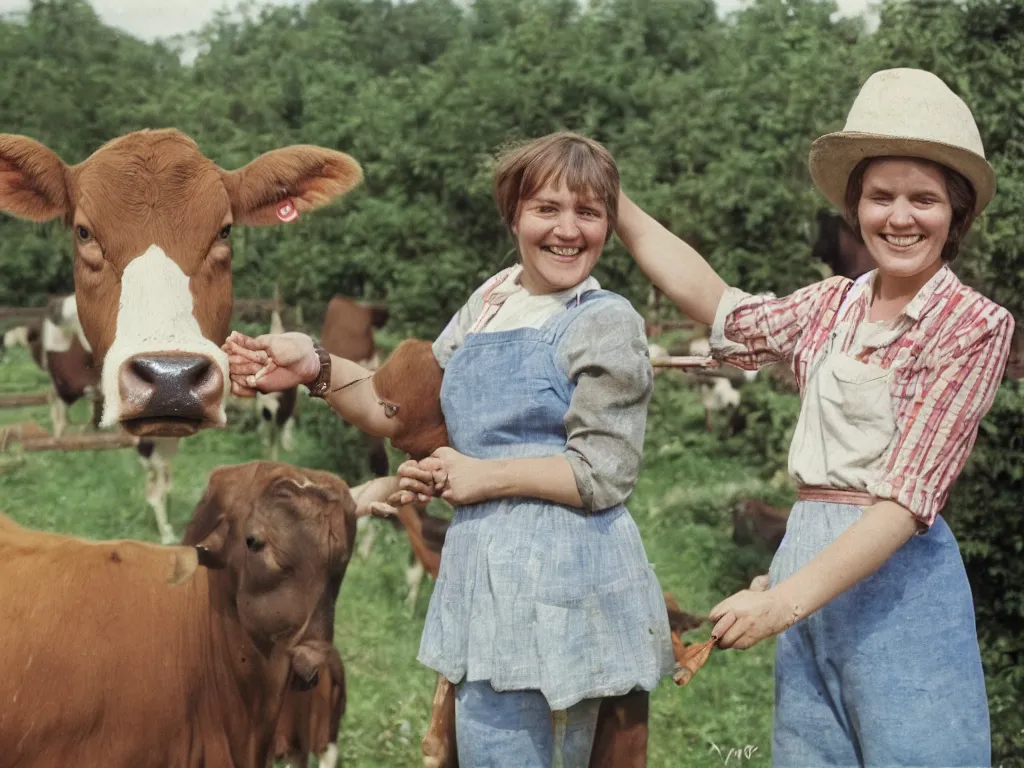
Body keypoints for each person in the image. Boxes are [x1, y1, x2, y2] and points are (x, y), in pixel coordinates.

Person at [223, 132, 675, 767]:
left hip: (567, 585)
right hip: (483, 579)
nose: (568, 230)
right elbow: (392, 408)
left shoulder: (605, 320)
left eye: (589, 212)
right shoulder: (491, 302)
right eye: (547, 208)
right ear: (513, 213)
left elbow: (603, 473)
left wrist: (481, 477)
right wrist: (312, 366)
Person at [616, 67, 1013, 767]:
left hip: (897, 586)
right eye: (880, 196)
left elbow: (902, 505)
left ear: (956, 213)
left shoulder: (974, 325)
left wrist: (780, 604)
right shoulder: (834, 304)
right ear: (856, 207)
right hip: (806, 568)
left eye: (923, 199)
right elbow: (715, 304)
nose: (899, 217)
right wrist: (612, 200)